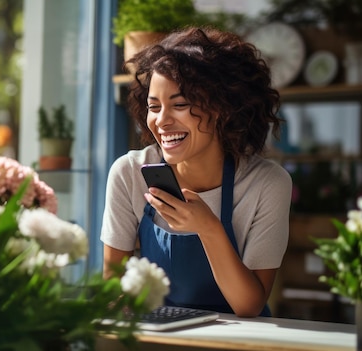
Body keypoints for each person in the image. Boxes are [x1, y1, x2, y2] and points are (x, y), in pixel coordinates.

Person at [100, 27, 292, 318]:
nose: (161, 121)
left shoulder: (266, 184)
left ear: (223, 109)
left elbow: (249, 305)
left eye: (180, 105)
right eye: (154, 107)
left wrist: (209, 228)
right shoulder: (129, 173)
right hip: (159, 339)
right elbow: (113, 291)